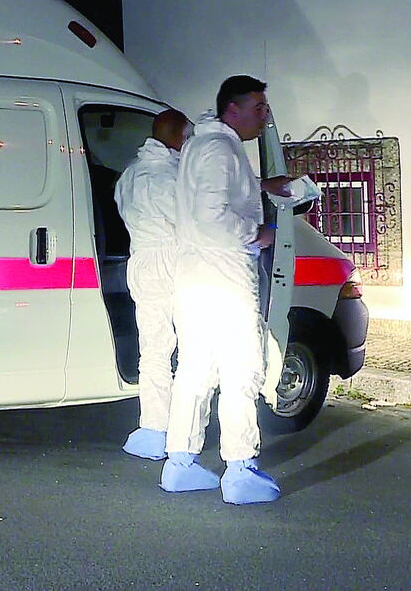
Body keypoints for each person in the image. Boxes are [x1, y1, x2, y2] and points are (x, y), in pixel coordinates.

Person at [161, 75, 292, 505]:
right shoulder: (220, 148)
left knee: (195, 370)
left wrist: (260, 188)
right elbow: (212, 214)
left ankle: (179, 462)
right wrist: (258, 233)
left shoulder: (202, 145)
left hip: (194, 277)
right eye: (258, 108)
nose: (264, 116)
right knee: (242, 369)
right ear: (231, 110)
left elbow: (211, 199)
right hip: (225, 275)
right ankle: (239, 468)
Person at [115, 109, 194, 460]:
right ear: (178, 136)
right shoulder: (175, 177)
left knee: (154, 349)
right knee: (193, 349)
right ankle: (185, 430)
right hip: (176, 260)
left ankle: (153, 427)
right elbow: (196, 222)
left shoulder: (129, 175)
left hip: (142, 260)